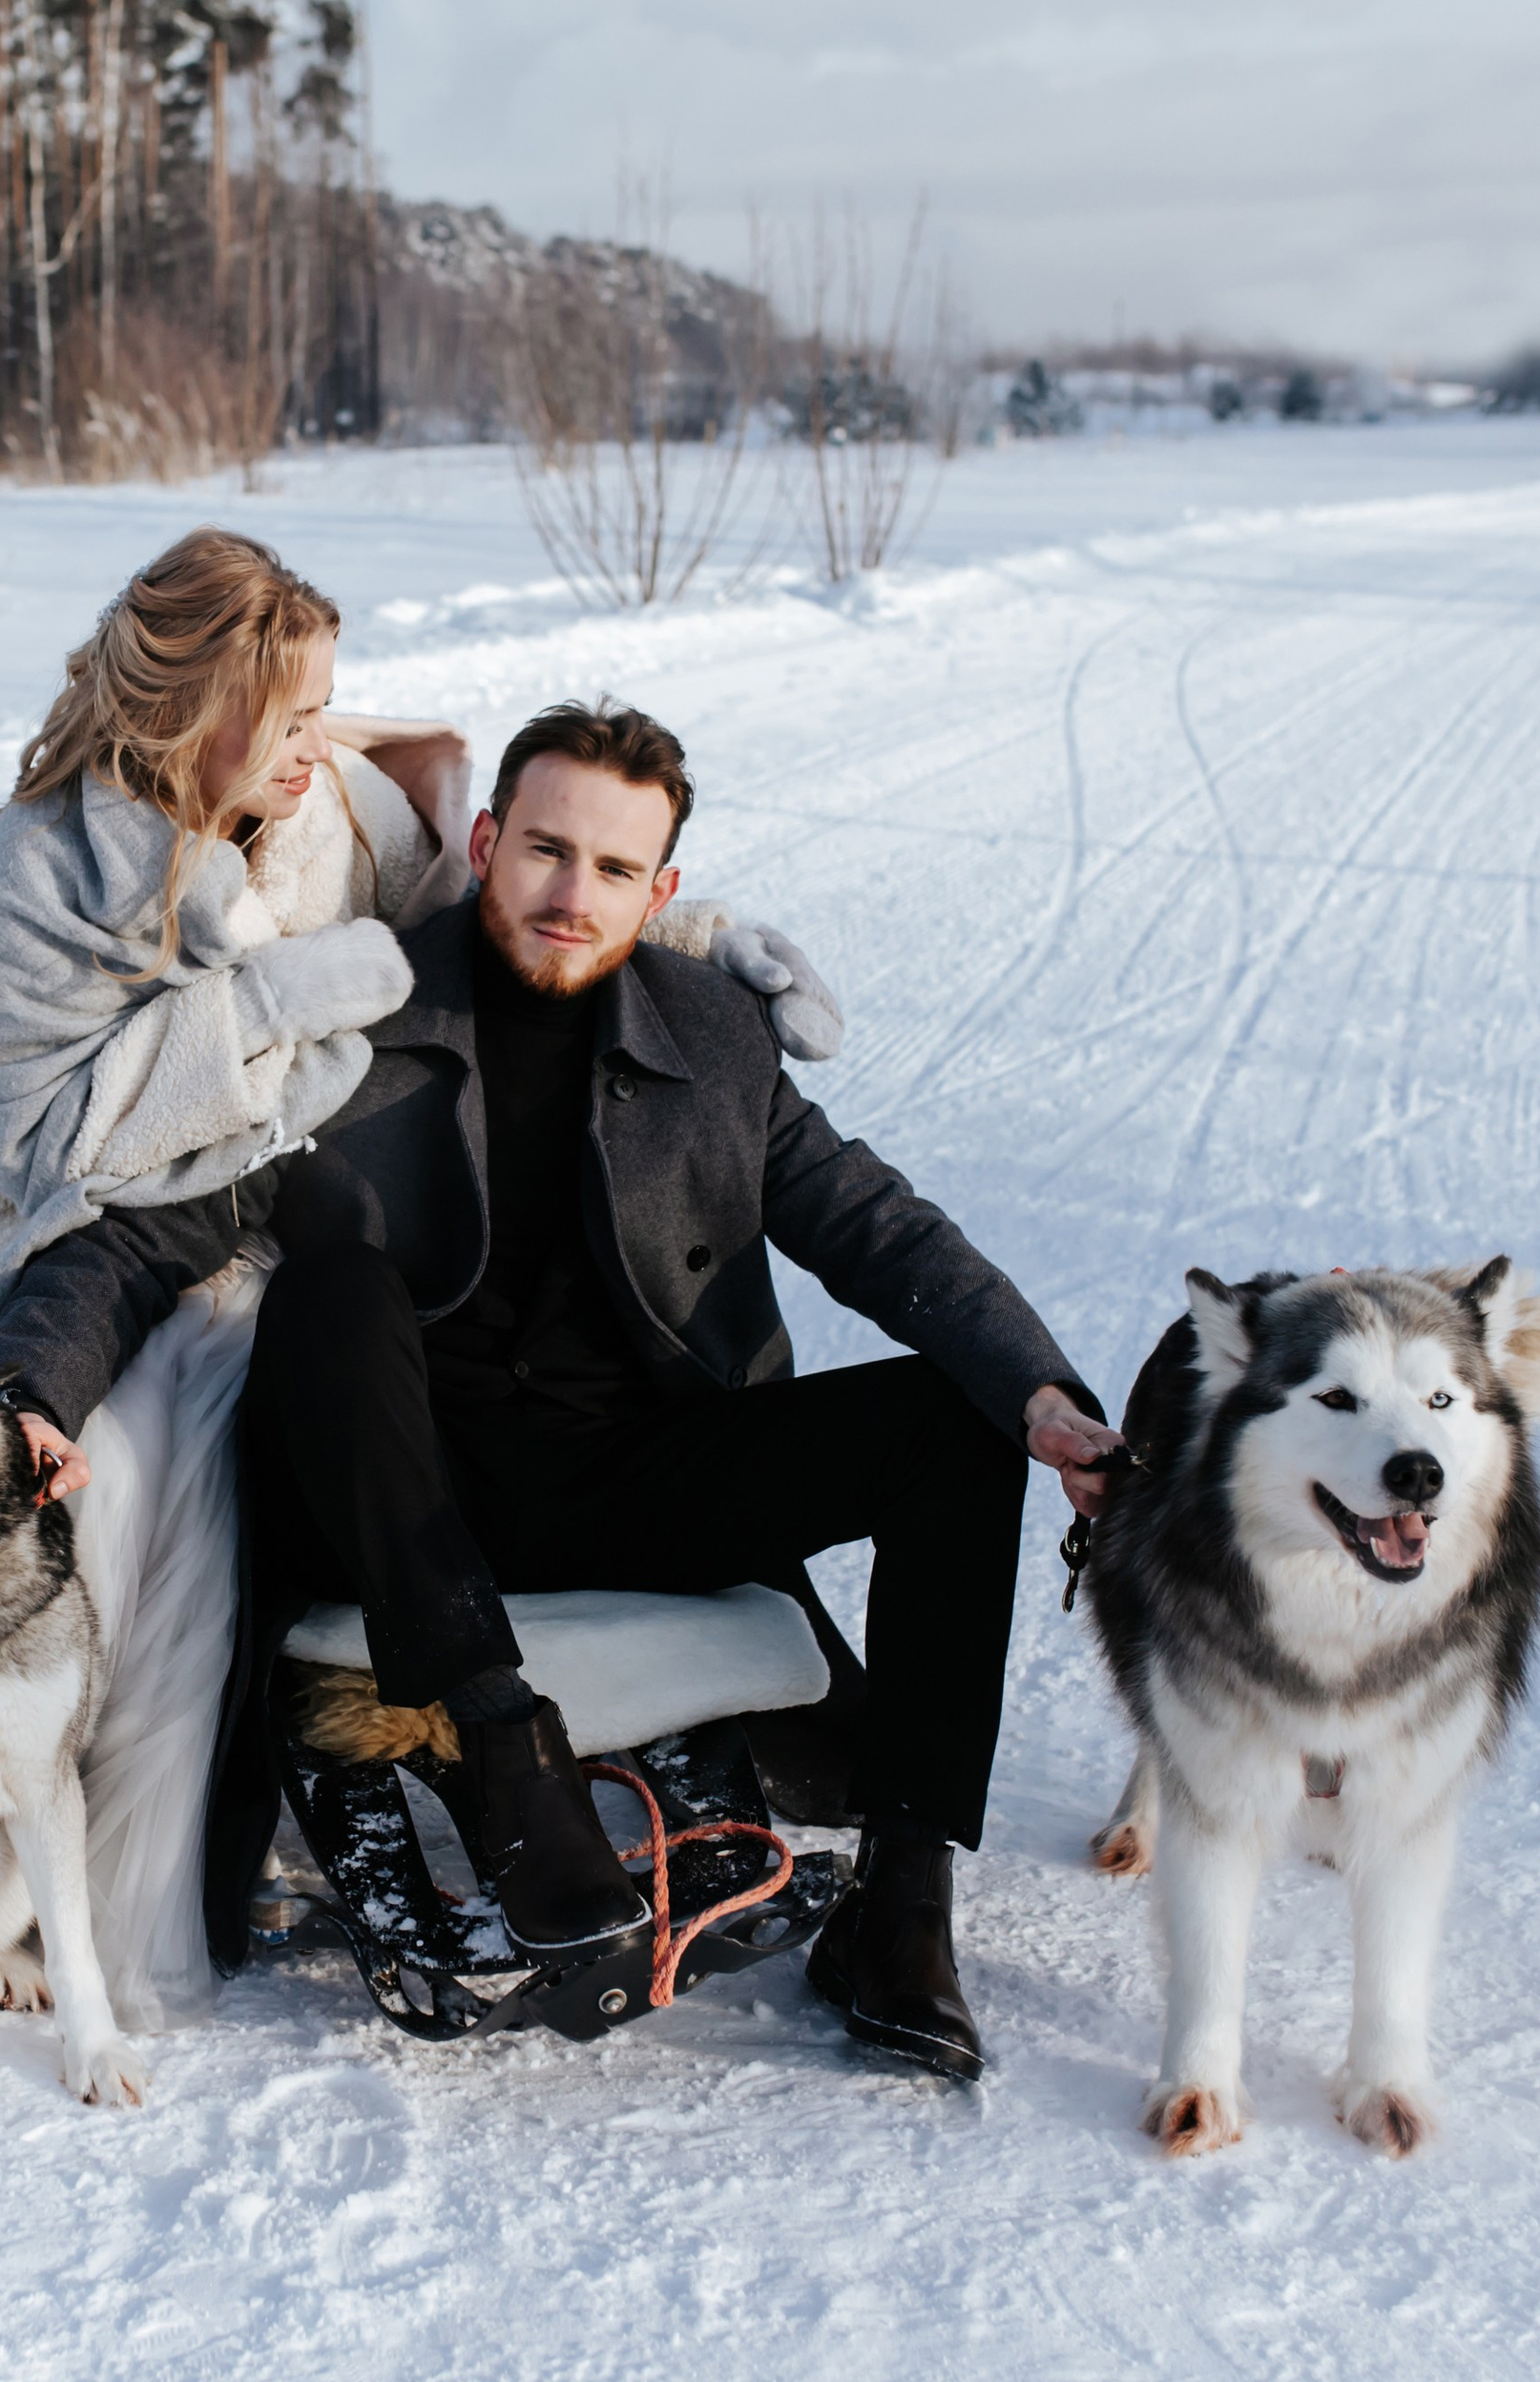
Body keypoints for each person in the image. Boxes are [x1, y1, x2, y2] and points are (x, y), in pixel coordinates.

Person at [0, 529, 843, 2027]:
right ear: (201, 709)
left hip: (288, 1226)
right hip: (74, 1229)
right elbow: (57, 1139)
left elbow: (490, 913)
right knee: (113, 1477)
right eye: (296, 713)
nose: (324, 744)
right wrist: (267, 1000)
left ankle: (352, 1764)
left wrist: (686, 944)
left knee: (350, 1392)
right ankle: (21, 1864)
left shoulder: (331, 805)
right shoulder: (45, 865)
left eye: (330, 708)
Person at [166, 699, 1123, 2081]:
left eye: (616, 871)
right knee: (329, 1289)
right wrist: (31, 1386)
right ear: (486, 842)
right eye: (546, 851)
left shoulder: (715, 1036)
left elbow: (876, 1226)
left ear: (661, 891)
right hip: (411, 1503)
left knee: (953, 1423)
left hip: (638, 1478)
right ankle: (503, 1748)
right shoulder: (354, 1008)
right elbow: (160, 1218)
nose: (574, 894)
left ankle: (903, 1906)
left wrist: (1041, 1392)